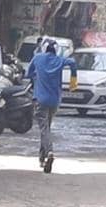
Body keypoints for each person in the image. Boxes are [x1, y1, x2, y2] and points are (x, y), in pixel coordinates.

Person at [28, 39, 78, 173]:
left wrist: (36, 77)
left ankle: (49, 152)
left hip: (40, 99)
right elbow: (72, 63)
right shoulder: (59, 60)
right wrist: (73, 81)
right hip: (54, 100)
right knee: (46, 129)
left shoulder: (38, 58)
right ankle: (42, 158)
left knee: (44, 129)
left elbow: (28, 73)